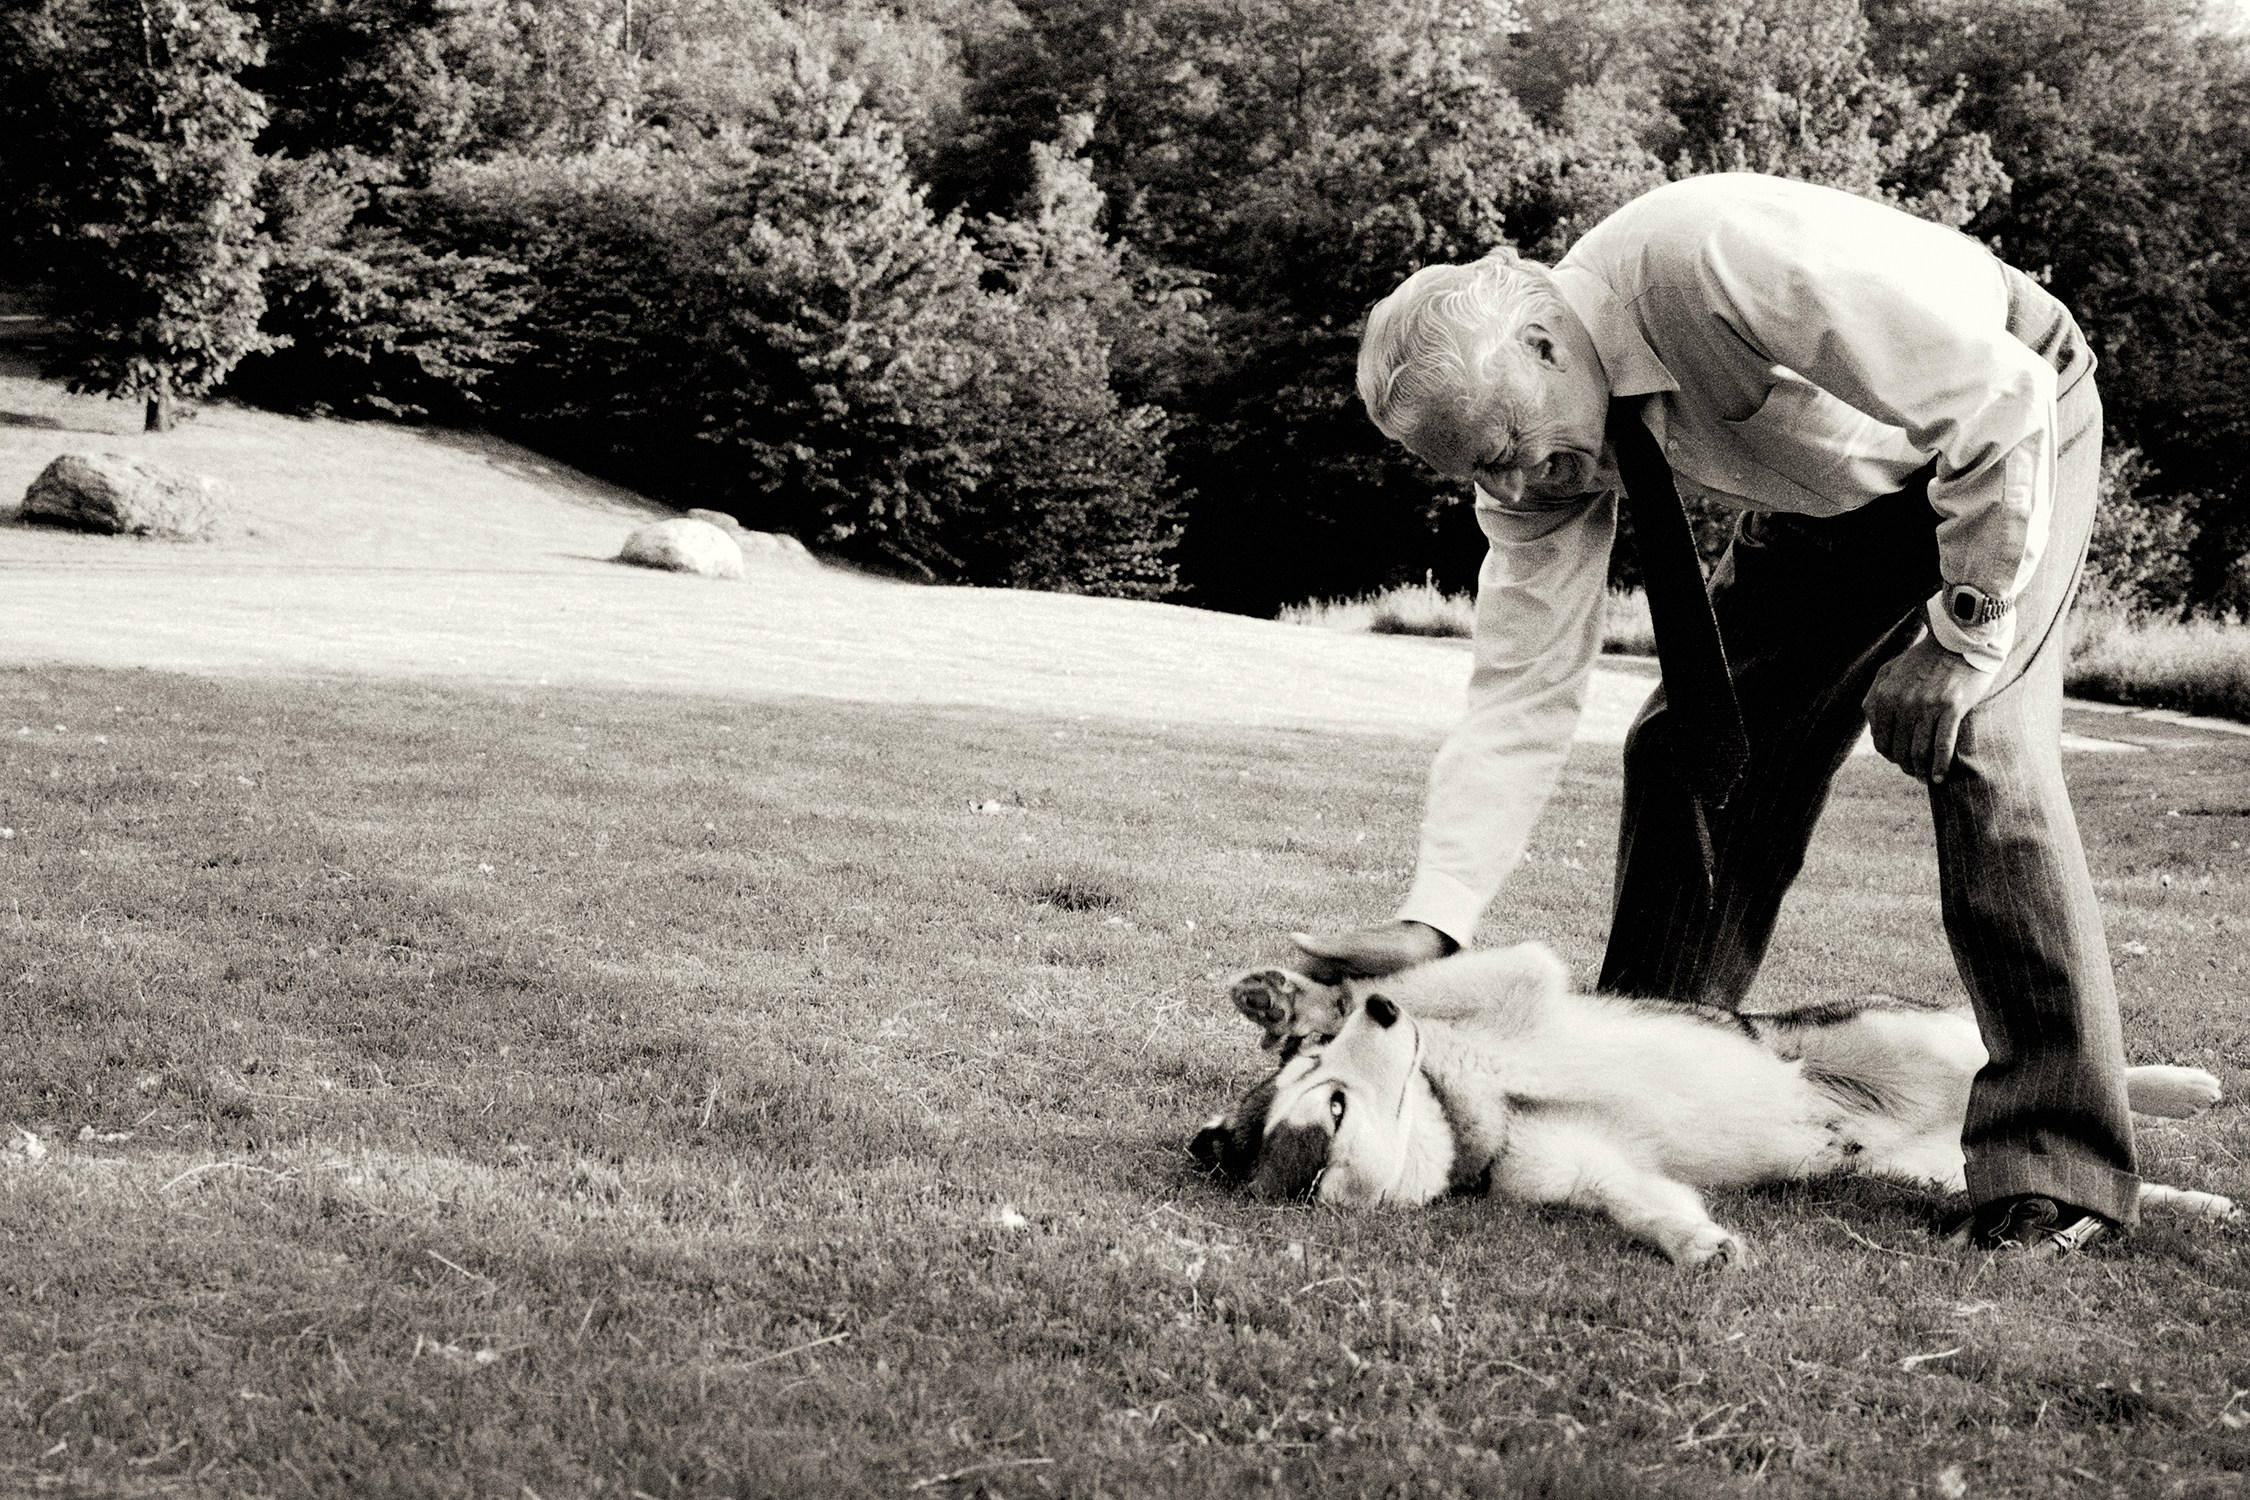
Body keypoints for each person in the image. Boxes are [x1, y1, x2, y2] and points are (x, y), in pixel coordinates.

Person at [1301, 171, 2134, 1257]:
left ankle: (2056, 1168)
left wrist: (1961, 632)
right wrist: (1437, 913)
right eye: (1478, 471)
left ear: (1547, 343)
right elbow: (1520, 687)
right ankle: (1638, 1073)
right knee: (1684, 750)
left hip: (2007, 421)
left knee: (1978, 745)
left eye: (1507, 445)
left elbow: (2000, 401)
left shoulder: (1718, 263)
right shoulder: (1528, 444)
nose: (1513, 481)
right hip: (1840, 492)